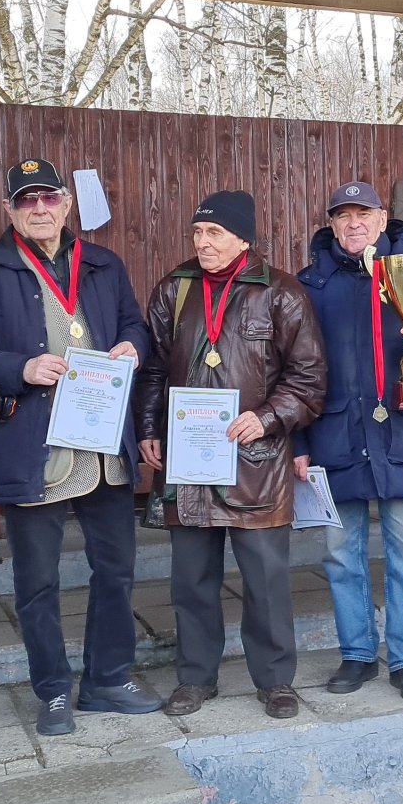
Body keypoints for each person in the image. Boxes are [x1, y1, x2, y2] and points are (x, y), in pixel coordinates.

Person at [0, 159, 160, 737]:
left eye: (48, 197)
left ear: (67, 203)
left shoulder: (105, 264)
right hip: (31, 445)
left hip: (103, 447)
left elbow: (135, 324)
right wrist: (20, 367)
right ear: (9, 210)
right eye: (25, 200)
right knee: (37, 582)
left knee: (116, 570)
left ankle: (108, 678)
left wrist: (132, 347)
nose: (39, 208)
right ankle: (54, 689)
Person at [137, 191, 325, 720]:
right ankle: (195, 678)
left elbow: (310, 379)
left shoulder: (282, 293)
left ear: (243, 238)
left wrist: (265, 417)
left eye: (214, 233)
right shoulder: (174, 289)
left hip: (256, 462)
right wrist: (149, 428)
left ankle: (276, 681)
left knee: (266, 583)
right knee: (191, 581)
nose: (203, 243)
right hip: (189, 463)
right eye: (197, 232)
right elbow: (153, 368)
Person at [293, 181, 403, 704]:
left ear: (381, 218)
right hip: (335, 435)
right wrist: (299, 441)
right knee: (340, 554)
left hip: (402, 432)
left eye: (363, 214)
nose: (354, 224)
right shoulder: (310, 285)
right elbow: (293, 370)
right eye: (343, 215)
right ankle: (357, 653)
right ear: (331, 224)